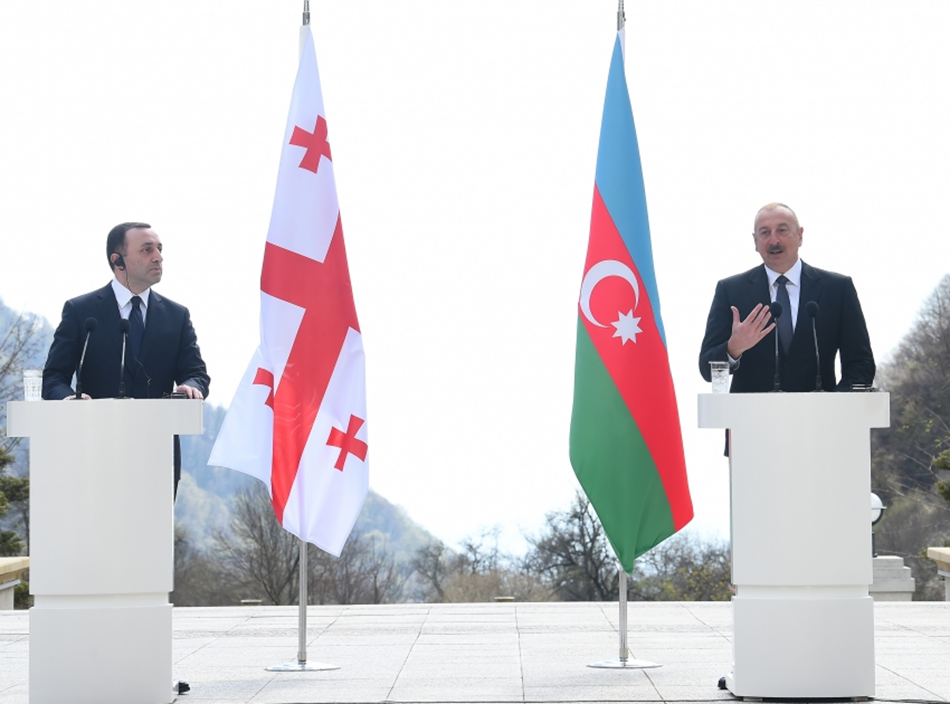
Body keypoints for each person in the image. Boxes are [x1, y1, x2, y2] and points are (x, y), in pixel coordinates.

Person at [43, 222, 210, 496]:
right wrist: (70, 401)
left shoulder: (177, 316)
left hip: (157, 454)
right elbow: (53, 378)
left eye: (159, 249)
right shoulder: (81, 311)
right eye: (147, 250)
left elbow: (197, 373)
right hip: (92, 451)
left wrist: (191, 386)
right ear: (117, 260)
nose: (158, 257)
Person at [699, 203, 875, 392]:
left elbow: (861, 364)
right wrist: (733, 348)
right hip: (751, 411)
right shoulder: (731, 290)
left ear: (800, 235)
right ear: (755, 241)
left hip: (819, 410)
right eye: (765, 232)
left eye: (782, 230)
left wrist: (835, 402)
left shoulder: (837, 289)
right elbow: (706, 369)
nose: (774, 240)